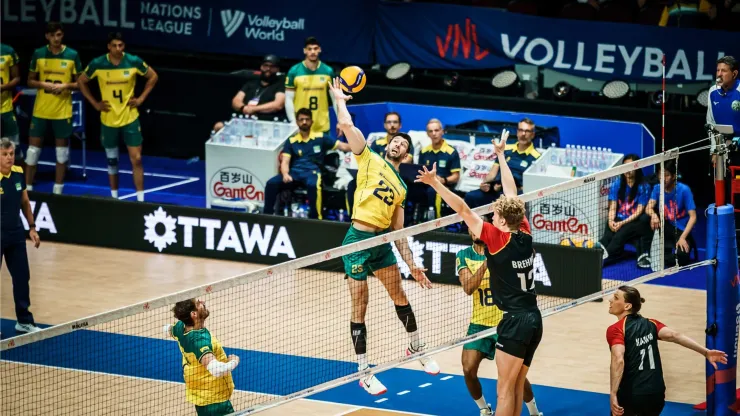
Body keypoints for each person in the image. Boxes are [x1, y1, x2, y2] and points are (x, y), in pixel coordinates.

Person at [416, 130, 542, 416]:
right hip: (534, 318)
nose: (492, 216)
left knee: (503, 391)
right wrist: (500, 155)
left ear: (501, 221)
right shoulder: (524, 232)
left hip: (514, 321)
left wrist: (434, 182)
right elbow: (512, 195)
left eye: (495, 215)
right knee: (516, 384)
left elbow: (461, 208)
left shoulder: (496, 239)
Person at [329, 77, 439, 396]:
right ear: (388, 141)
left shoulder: (402, 188)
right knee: (360, 305)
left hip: (381, 246)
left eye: (404, 145)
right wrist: (339, 99)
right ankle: (363, 369)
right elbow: (348, 125)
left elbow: (400, 232)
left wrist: (413, 266)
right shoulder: (368, 156)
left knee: (400, 297)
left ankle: (416, 347)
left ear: (405, 155)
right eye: (395, 140)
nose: (398, 144)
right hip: (357, 242)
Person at [456, 218, 542, 416]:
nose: (474, 232)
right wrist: (488, 261)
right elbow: (468, 287)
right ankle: (484, 410)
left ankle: (534, 411)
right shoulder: (464, 255)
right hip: (479, 323)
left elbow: (529, 254)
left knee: (514, 376)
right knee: (468, 369)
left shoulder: (502, 247)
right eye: (470, 229)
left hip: (506, 321)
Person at [607, 285, 727, 416]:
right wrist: (705, 352)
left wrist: (613, 393)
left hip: (633, 394)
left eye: (615, 297)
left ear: (627, 306)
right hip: (656, 394)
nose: (610, 299)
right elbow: (675, 335)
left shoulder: (616, 329)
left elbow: (618, 360)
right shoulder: (651, 323)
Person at [77, 32, 158, 201]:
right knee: (112, 161)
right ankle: (114, 198)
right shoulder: (98, 64)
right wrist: (95, 103)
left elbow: (153, 76)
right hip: (108, 119)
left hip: (130, 117)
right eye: (114, 45)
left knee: (136, 159)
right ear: (108, 47)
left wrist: (141, 98)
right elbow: (81, 81)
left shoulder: (133, 61)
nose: (118, 49)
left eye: (120, 45)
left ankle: (141, 200)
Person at [25, 22, 82, 195]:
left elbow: (80, 84)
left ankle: (58, 191)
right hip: (41, 110)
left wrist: (65, 86)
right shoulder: (38, 54)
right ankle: (27, 191)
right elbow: (30, 81)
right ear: (47, 37)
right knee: (32, 152)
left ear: (62, 35)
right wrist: (42, 84)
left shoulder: (72, 55)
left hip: (62, 111)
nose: (56, 39)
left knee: (62, 154)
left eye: (59, 35)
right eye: (52, 35)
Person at [263, 108, 350, 219]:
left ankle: (316, 218)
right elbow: (285, 162)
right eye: (301, 119)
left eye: (307, 119)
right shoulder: (291, 141)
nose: (304, 122)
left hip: (312, 172)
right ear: (297, 122)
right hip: (294, 173)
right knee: (271, 183)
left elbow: (343, 146)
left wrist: (360, 147)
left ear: (311, 121)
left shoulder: (321, 137)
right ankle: (266, 217)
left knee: (313, 185)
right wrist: (285, 174)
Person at [165, 299, 240, 416]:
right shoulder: (199, 341)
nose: (202, 302)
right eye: (198, 304)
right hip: (214, 400)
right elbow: (216, 369)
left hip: (202, 396)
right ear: (193, 314)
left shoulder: (181, 327)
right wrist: (233, 361)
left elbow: (168, 329)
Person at [0, 138, 41, 334]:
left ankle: (24, 320)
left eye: (11, 154)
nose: (9, 158)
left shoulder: (18, 173)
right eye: (5, 154)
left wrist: (32, 227)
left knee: (22, 277)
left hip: (16, 234)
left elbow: (25, 202)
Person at [465, 118, 540, 209]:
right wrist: (485, 184)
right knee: (470, 197)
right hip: (496, 190)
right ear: (517, 132)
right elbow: (492, 174)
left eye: (527, 131)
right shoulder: (505, 149)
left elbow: (531, 186)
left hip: (516, 194)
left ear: (533, 134)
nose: (523, 134)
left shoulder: (537, 157)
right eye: (521, 130)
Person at [347, 111, 411, 216]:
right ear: (385, 125)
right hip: (376, 176)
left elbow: (407, 160)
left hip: (397, 178)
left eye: (395, 122)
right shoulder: (377, 143)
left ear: (400, 125)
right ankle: (353, 216)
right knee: (352, 184)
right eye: (389, 122)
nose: (392, 125)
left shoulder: (406, 143)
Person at [599, 154, 652, 267]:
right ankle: (595, 253)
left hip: (634, 221)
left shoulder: (644, 186)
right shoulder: (617, 184)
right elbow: (612, 206)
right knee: (608, 234)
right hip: (619, 218)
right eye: (625, 167)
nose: (628, 170)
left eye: (631, 167)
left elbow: (639, 211)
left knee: (620, 235)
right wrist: (611, 220)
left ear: (637, 168)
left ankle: (602, 258)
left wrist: (622, 223)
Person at [644, 160, 696, 267]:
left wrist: (682, 237)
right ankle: (651, 252)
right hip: (665, 226)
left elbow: (693, 217)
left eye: (666, 175)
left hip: (681, 229)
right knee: (645, 219)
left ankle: (662, 257)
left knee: (682, 258)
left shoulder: (684, 190)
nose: (663, 179)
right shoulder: (657, 188)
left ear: (673, 176)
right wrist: (654, 215)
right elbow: (648, 207)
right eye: (660, 175)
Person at [213, 55, 286, 132]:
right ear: (261, 67)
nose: (268, 69)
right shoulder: (251, 84)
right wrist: (243, 108)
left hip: (265, 123)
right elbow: (236, 101)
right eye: (266, 66)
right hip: (244, 121)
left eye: (272, 67)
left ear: (277, 69)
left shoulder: (281, 85)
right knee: (218, 126)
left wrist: (254, 109)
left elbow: (278, 105)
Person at [285, 37, 337, 135]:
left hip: (322, 125)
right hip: (301, 125)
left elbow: (335, 99)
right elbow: (288, 99)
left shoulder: (328, 71)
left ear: (320, 50)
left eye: (315, 48)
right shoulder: (294, 71)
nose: (313, 52)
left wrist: (341, 120)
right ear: (304, 51)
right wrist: (293, 122)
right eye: (309, 49)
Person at [416, 119, 461, 219]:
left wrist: (443, 180)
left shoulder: (451, 152)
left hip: (443, 185)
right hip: (426, 184)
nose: (434, 134)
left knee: (433, 191)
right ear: (427, 134)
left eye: (436, 130)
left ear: (442, 131)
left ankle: (436, 221)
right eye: (431, 131)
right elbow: (419, 170)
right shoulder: (424, 151)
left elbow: (456, 176)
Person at [1, 44, 22, 165]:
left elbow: (16, 78)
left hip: (6, 108)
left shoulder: (8, 51)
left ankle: (18, 179)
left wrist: (3, 87)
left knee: (14, 149)